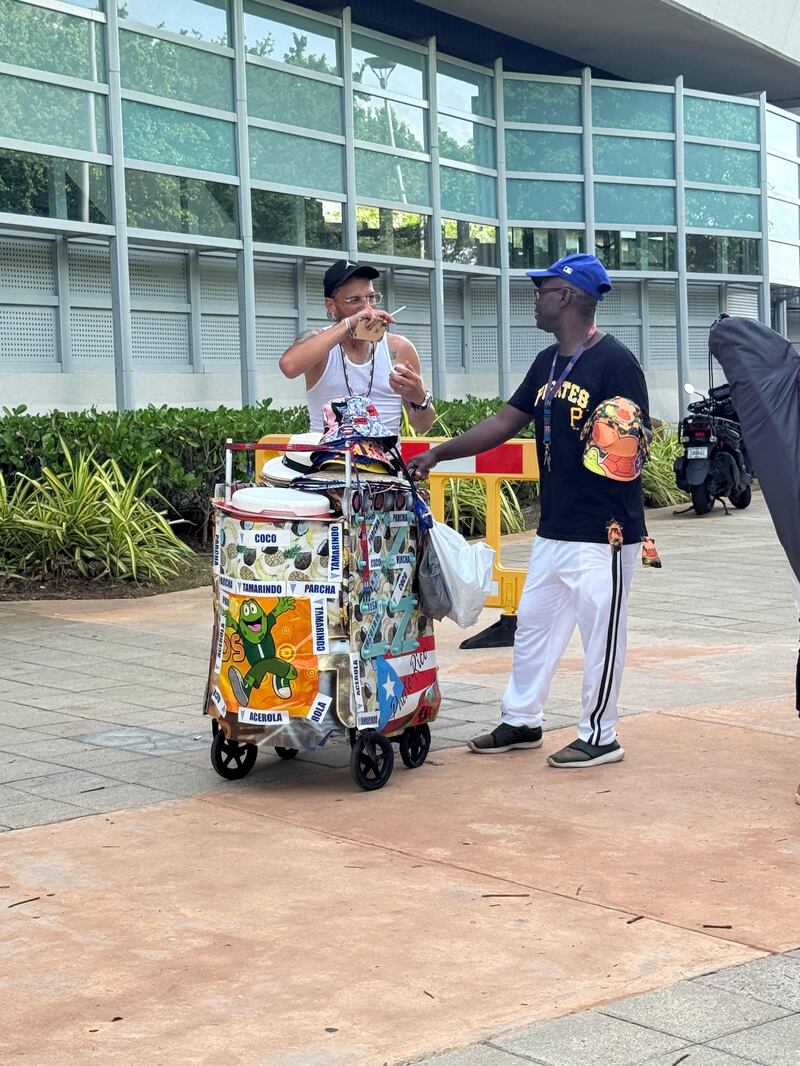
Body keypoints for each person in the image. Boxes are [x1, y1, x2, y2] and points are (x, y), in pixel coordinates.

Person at [408, 253, 650, 768]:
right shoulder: (548, 362)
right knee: (535, 627)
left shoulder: (617, 363)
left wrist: (614, 442)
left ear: (565, 297)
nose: (535, 299)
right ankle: (522, 720)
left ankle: (602, 734)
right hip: (556, 528)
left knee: (602, 636)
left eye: (542, 291)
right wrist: (438, 452)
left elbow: (631, 445)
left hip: (603, 532)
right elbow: (504, 421)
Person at [279, 259, 436, 435]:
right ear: (331, 305)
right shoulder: (318, 342)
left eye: (371, 297)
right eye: (354, 300)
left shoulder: (399, 348)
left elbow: (424, 426)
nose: (367, 308)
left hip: (384, 459)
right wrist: (349, 324)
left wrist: (420, 399)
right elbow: (289, 366)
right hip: (327, 459)